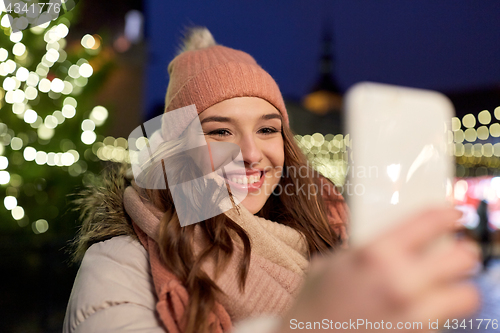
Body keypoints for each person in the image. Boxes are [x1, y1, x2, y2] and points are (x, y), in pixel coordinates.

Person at [63, 27, 479, 333]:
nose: (250, 154)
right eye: (219, 131)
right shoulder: (119, 262)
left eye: (267, 129)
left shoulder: (329, 241)